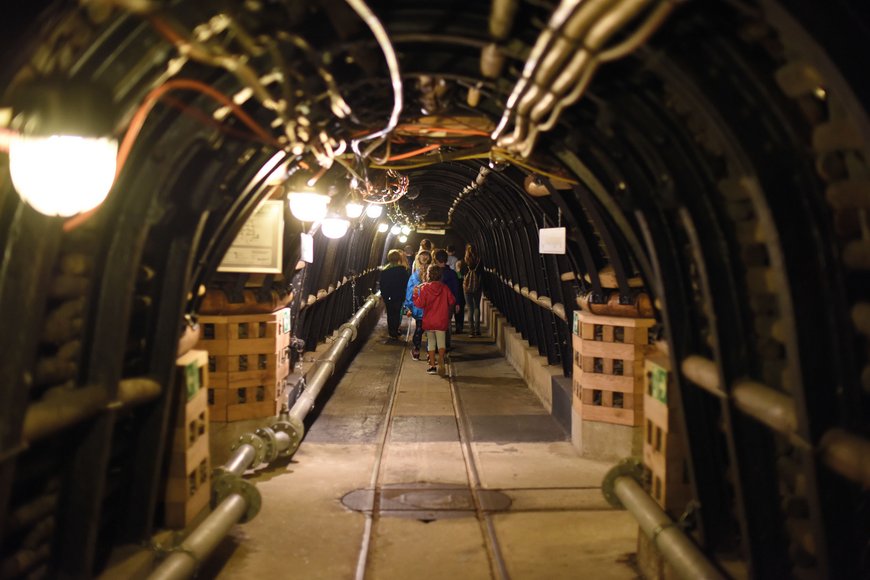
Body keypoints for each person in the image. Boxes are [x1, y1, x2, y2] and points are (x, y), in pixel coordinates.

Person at [412, 264, 456, 375]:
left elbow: (420, 304)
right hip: (441, 319)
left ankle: (432, 366)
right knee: (441, 343)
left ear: (428, 275)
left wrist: (415, 295)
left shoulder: (424, 288)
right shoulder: (444, 288)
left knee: (431, 343)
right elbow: (452, 301)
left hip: (429, 320)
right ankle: (441, 358)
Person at [404, 249, 432, 360]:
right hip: (431, 307)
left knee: (419, 328)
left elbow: (410, 292)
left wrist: (408, 306)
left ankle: (416, 349)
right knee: (431, 330)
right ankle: (431, 353)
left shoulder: (415, 276)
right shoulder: (434, 274)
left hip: (419, 307)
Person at [378, 249, 410, 340]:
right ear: (399, 258)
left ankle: (391, 331)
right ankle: (395, 331)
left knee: (390, 313)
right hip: (399, 295)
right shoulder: (403, 270)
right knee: (396, 313)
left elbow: (382, 284)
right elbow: (406, 284)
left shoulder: (385, 270)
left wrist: (384, 295)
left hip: (388, 295)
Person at [433, 249, 461, 349]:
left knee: (435, 323)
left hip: (435, 302)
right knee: (447, 322)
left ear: (435, 259)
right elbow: (456, 289)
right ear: (446, 259)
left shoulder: (432, 273)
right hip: (449, 302)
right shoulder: (452, 274)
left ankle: (436, 345)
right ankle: (446, 344)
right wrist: (457, 303)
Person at [463, 243, 483, 336]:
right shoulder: (479, 261)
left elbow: (461, 272)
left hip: (467, 287)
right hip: (477, 287)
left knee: (470, 308)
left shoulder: (465, 261)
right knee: (476, 307)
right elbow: (482, 273)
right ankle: (477, 330)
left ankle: (471, 331)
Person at [453, 259, 466, 334]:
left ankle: (457, 326)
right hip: (463, 295)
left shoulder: (455, 275)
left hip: (456, 296)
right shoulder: (464, 275)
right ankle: (460, 326)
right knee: (461, 312)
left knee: (456, 312)